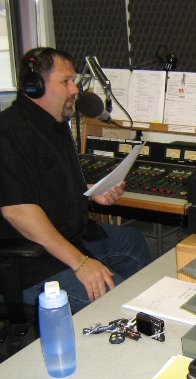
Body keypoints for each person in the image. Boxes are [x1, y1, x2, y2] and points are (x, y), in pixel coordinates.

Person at [0, 47, 152, 313]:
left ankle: (148, 315)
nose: (75, 90)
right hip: (32, 261)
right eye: (66, 81)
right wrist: (81, 263)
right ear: (35, 87)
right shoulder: (9, 132)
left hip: (69, 238)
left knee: (133, 243)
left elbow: (47, 186)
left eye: (74, 81)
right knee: (114, 297)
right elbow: (19, 212)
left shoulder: (54, 123)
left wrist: (90, 192)